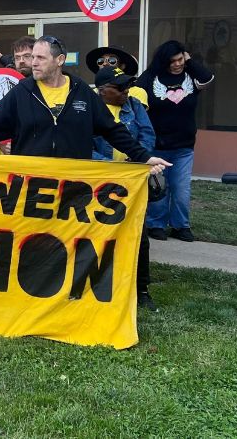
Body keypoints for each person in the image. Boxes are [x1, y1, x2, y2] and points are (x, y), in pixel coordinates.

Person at [0, 36, 170, 172]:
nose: (32, 63)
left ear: (59, 60)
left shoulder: (82, 93)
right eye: (30, 57)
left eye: (40, 58)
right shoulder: (22, 92)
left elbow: (112, 130)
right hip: (30, 186)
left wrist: (143, 156)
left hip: (73, 187)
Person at [135, 40, 215, 242]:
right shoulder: (152, 77)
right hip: (157, 146)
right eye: (172, 61)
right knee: (159, 188)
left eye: (180, 59)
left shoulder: (191, 77)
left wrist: (190, 60)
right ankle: (156, 225)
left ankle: (181, 226)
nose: (177, 64)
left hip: (184, 146)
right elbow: (136, 95)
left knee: (181, 189)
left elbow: (208, 78)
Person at [92, 66, 157, 310]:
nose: (125, 91)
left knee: (139, 236)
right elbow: (85, 145)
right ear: (102, 91)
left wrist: (138, 159)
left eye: (127, 86)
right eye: (119, 87)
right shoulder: (90, 109)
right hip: (102, 183)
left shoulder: (135, 106)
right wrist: (109, 166)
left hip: (133, 182)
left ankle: (141, 289)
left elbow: (148, 135)